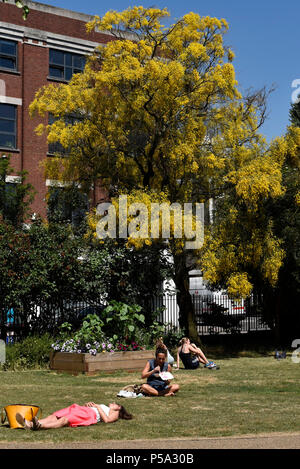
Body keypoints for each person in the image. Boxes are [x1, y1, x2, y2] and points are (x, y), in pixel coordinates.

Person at [16, 402, 132, 430]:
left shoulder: (115, 413)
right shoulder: (105, 407)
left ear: (119, 407)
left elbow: (106, 420)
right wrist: (89, 404)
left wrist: (97, 407)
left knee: (65, 420)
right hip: (83, 409)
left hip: (89, 415)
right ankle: (30, 423)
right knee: (55, 416)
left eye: (115, 403)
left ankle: (40, 425)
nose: (112, 403)